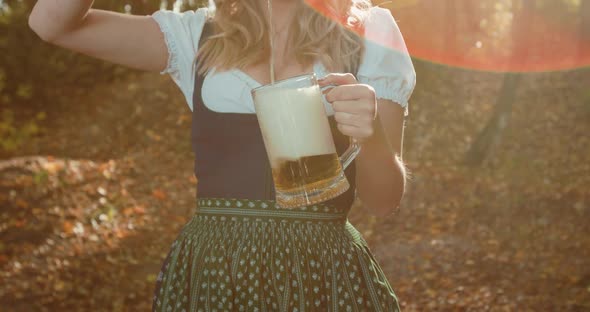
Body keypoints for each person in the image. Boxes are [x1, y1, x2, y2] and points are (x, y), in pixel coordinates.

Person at [29, 0, 416, 310]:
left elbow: (384, 201)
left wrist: (373, 136)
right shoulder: (195, 34)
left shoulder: (369, 31)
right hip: (215, 271)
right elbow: (51, 23)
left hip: (323, 272)